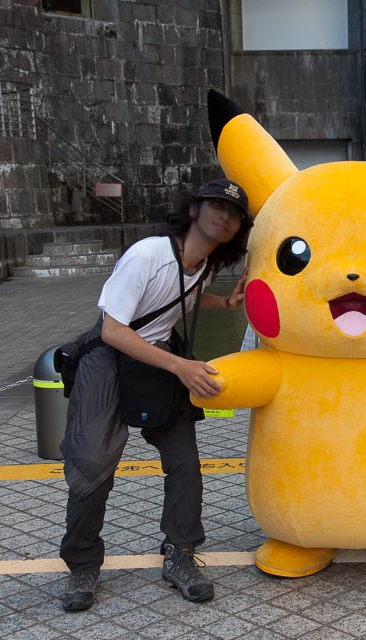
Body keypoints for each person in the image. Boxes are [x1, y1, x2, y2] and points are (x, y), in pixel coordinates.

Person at [58, 179, 252, 612]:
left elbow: (180, 300)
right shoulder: (148, 253)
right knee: (93, 463)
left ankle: (180, 555)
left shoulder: (203, 265)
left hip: (157, 359)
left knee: (184, 461)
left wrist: (225, 305)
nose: (225, 215)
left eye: (235, 213)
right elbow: (113, 329)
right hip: (107, 358)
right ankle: (83, 564)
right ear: (194, 209)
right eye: (217, 205)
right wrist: (181, 367)